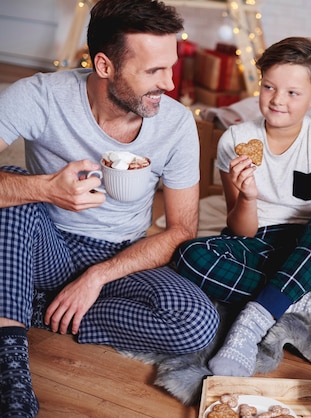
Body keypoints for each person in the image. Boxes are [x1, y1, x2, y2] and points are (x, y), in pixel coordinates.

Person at [0, 1, 219, 416]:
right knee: (13, 186)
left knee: (196, 323)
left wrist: (98, 276)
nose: (170, 84)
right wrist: (46, 189)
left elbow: (180, 230)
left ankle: (31, 306)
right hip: (45, 244)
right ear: (104, 65)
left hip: (121, 256)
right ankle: (10, 369)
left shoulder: (175, 124)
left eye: (170, 67)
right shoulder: (41, 95)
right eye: (153, 71)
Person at [171, 37, 311, 377]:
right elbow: (241, 230)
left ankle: (252, 322)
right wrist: (248, 197)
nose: (277, 100)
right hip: (257, 243)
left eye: (293, 93)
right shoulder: (235, 140)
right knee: (189, 254)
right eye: (269, 87)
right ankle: (301, 300)